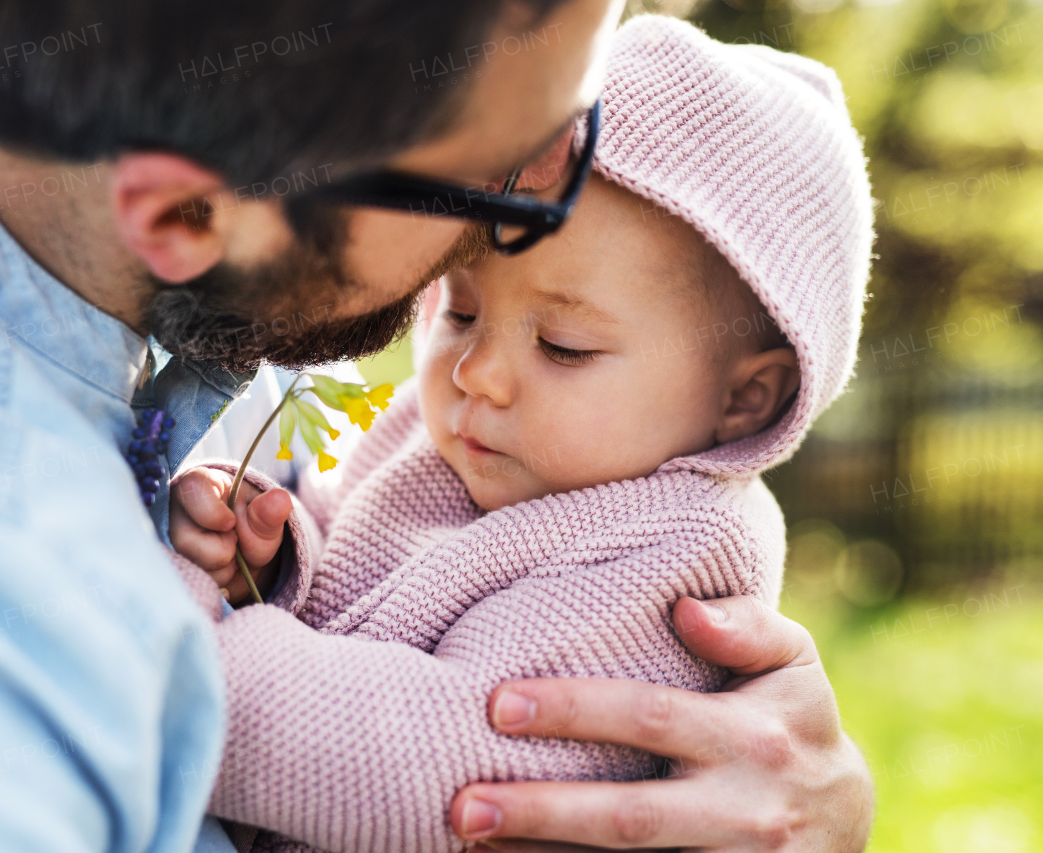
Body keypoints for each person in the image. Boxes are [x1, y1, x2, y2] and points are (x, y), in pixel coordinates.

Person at [0, 1, 871, 850]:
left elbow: (448, 733)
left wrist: (256, 573)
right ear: (187, 211)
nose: (517, 223)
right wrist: (175, 631)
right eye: (492, 180)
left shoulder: (154, 296)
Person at [168, 16, 872, 853]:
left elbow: (438, 764)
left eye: (564, 347)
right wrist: (269, 556)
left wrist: (175, 654)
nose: (479, 371)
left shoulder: (673, 558)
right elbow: (353, 571)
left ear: (746, 399)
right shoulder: (452, 436)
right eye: (459, 309)